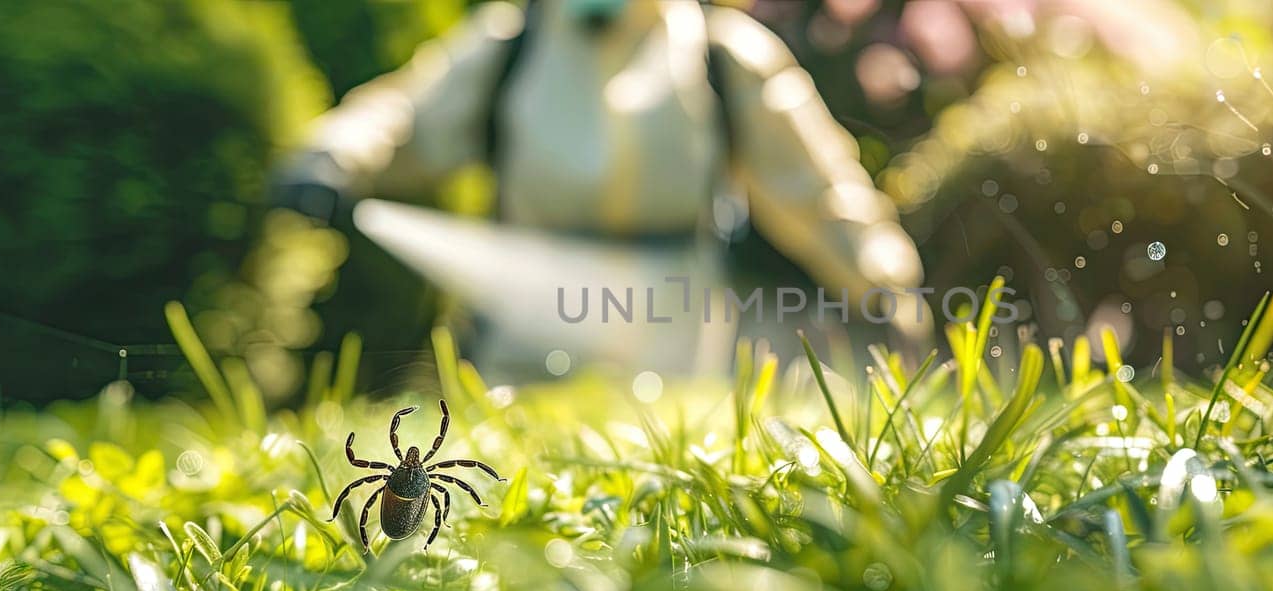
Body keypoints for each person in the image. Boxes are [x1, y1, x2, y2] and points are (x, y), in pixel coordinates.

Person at [272, 0, 926, 380]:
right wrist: (330, 157)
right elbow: (409, 112)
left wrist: (887, 292)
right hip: (517, 346)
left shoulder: (722, 54)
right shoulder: (512, 44)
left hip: (675, 353)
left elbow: (818, 193)